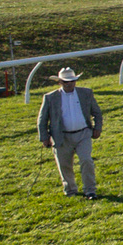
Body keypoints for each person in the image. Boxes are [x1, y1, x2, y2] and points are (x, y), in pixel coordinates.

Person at [37, 66, 103, 199]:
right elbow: (42, 119)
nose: (69, 84)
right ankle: (70, 190)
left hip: (83, 133)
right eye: (66, 82)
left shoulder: (86, 93)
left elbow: (96, 112)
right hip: (61, 136)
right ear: (59, 82)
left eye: (72, 81)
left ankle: (90, 190)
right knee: (64, 165)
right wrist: (44, 137)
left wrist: (98, 127)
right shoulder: (50, 97)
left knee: (86, 161)